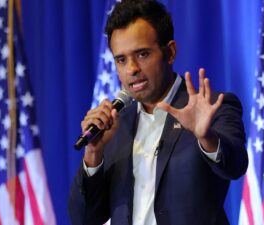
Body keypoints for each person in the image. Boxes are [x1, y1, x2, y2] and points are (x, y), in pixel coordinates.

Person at [68, 0, 248, 224]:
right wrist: (94, 152)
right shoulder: (114, 125)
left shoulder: (211, 107)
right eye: (121, 60)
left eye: (142, 54)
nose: (131, 69)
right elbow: (84, 217)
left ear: (170, 52)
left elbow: (236, 165)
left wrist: (207, 137)